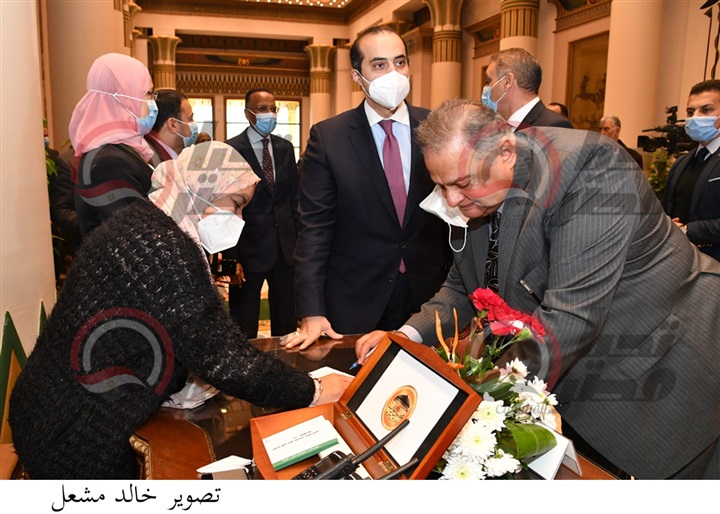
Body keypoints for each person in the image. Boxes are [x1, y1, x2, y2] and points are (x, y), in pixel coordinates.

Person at [357, 99, 720, 479]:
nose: (451, 200)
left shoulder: (590, 169)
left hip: (668, 367)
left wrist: (476, 402)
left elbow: (570, 316)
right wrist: (404, 337)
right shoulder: (475, 191)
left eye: (462, 184)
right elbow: (464, 287)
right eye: (441, 185)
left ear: (505, 151)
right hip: (573, 380)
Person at [9, 142, 352, 479]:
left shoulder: (143, 223)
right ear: (202, 188)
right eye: (236, 203)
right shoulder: (162, 246)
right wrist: (315, 390)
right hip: (73, 434)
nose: (239, 218)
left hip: (52, 411)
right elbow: (222, 358)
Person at [285, 26, 451, 350]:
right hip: (355, 298)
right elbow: (315, 228)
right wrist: (311, 310)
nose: (393, 74)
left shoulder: (436, 127)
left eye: (400, 62)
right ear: (356, 76)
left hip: (427, 296)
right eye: (379, 65)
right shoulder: (329, 138)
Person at [224, 88, 299, 338]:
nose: (270, 114)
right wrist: (231, 260)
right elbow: (225, 208)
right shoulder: (231, 150)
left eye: (273, 109)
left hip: (284, 252)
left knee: (286, 327)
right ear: (248, 113)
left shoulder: (285, 147)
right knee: (243, 327)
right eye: (262, 109)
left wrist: (299, 246)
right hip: (248, 251)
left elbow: (294, 199)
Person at [70, 53, 158, 236]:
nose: (153, 102)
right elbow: (137, 234)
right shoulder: (108, 163)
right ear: (123, 98)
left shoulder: (118, 151)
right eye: (149, 93)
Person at [661, 79, 720, 261]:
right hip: (678, 260)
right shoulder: (682, 162)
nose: (695, 117)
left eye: (706, 110)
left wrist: (687, 230)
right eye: (690, 112)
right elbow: (667, 208)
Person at [482, 48, 573, 130]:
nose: (486, 87)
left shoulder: (554, 126)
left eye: (488, 81)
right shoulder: (497, 128)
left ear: (507, 81)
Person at [145, 89, 198, 164]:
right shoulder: (154, 162)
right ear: (173, 125)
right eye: (190, 119)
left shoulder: (162, 156)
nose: (194, 123)